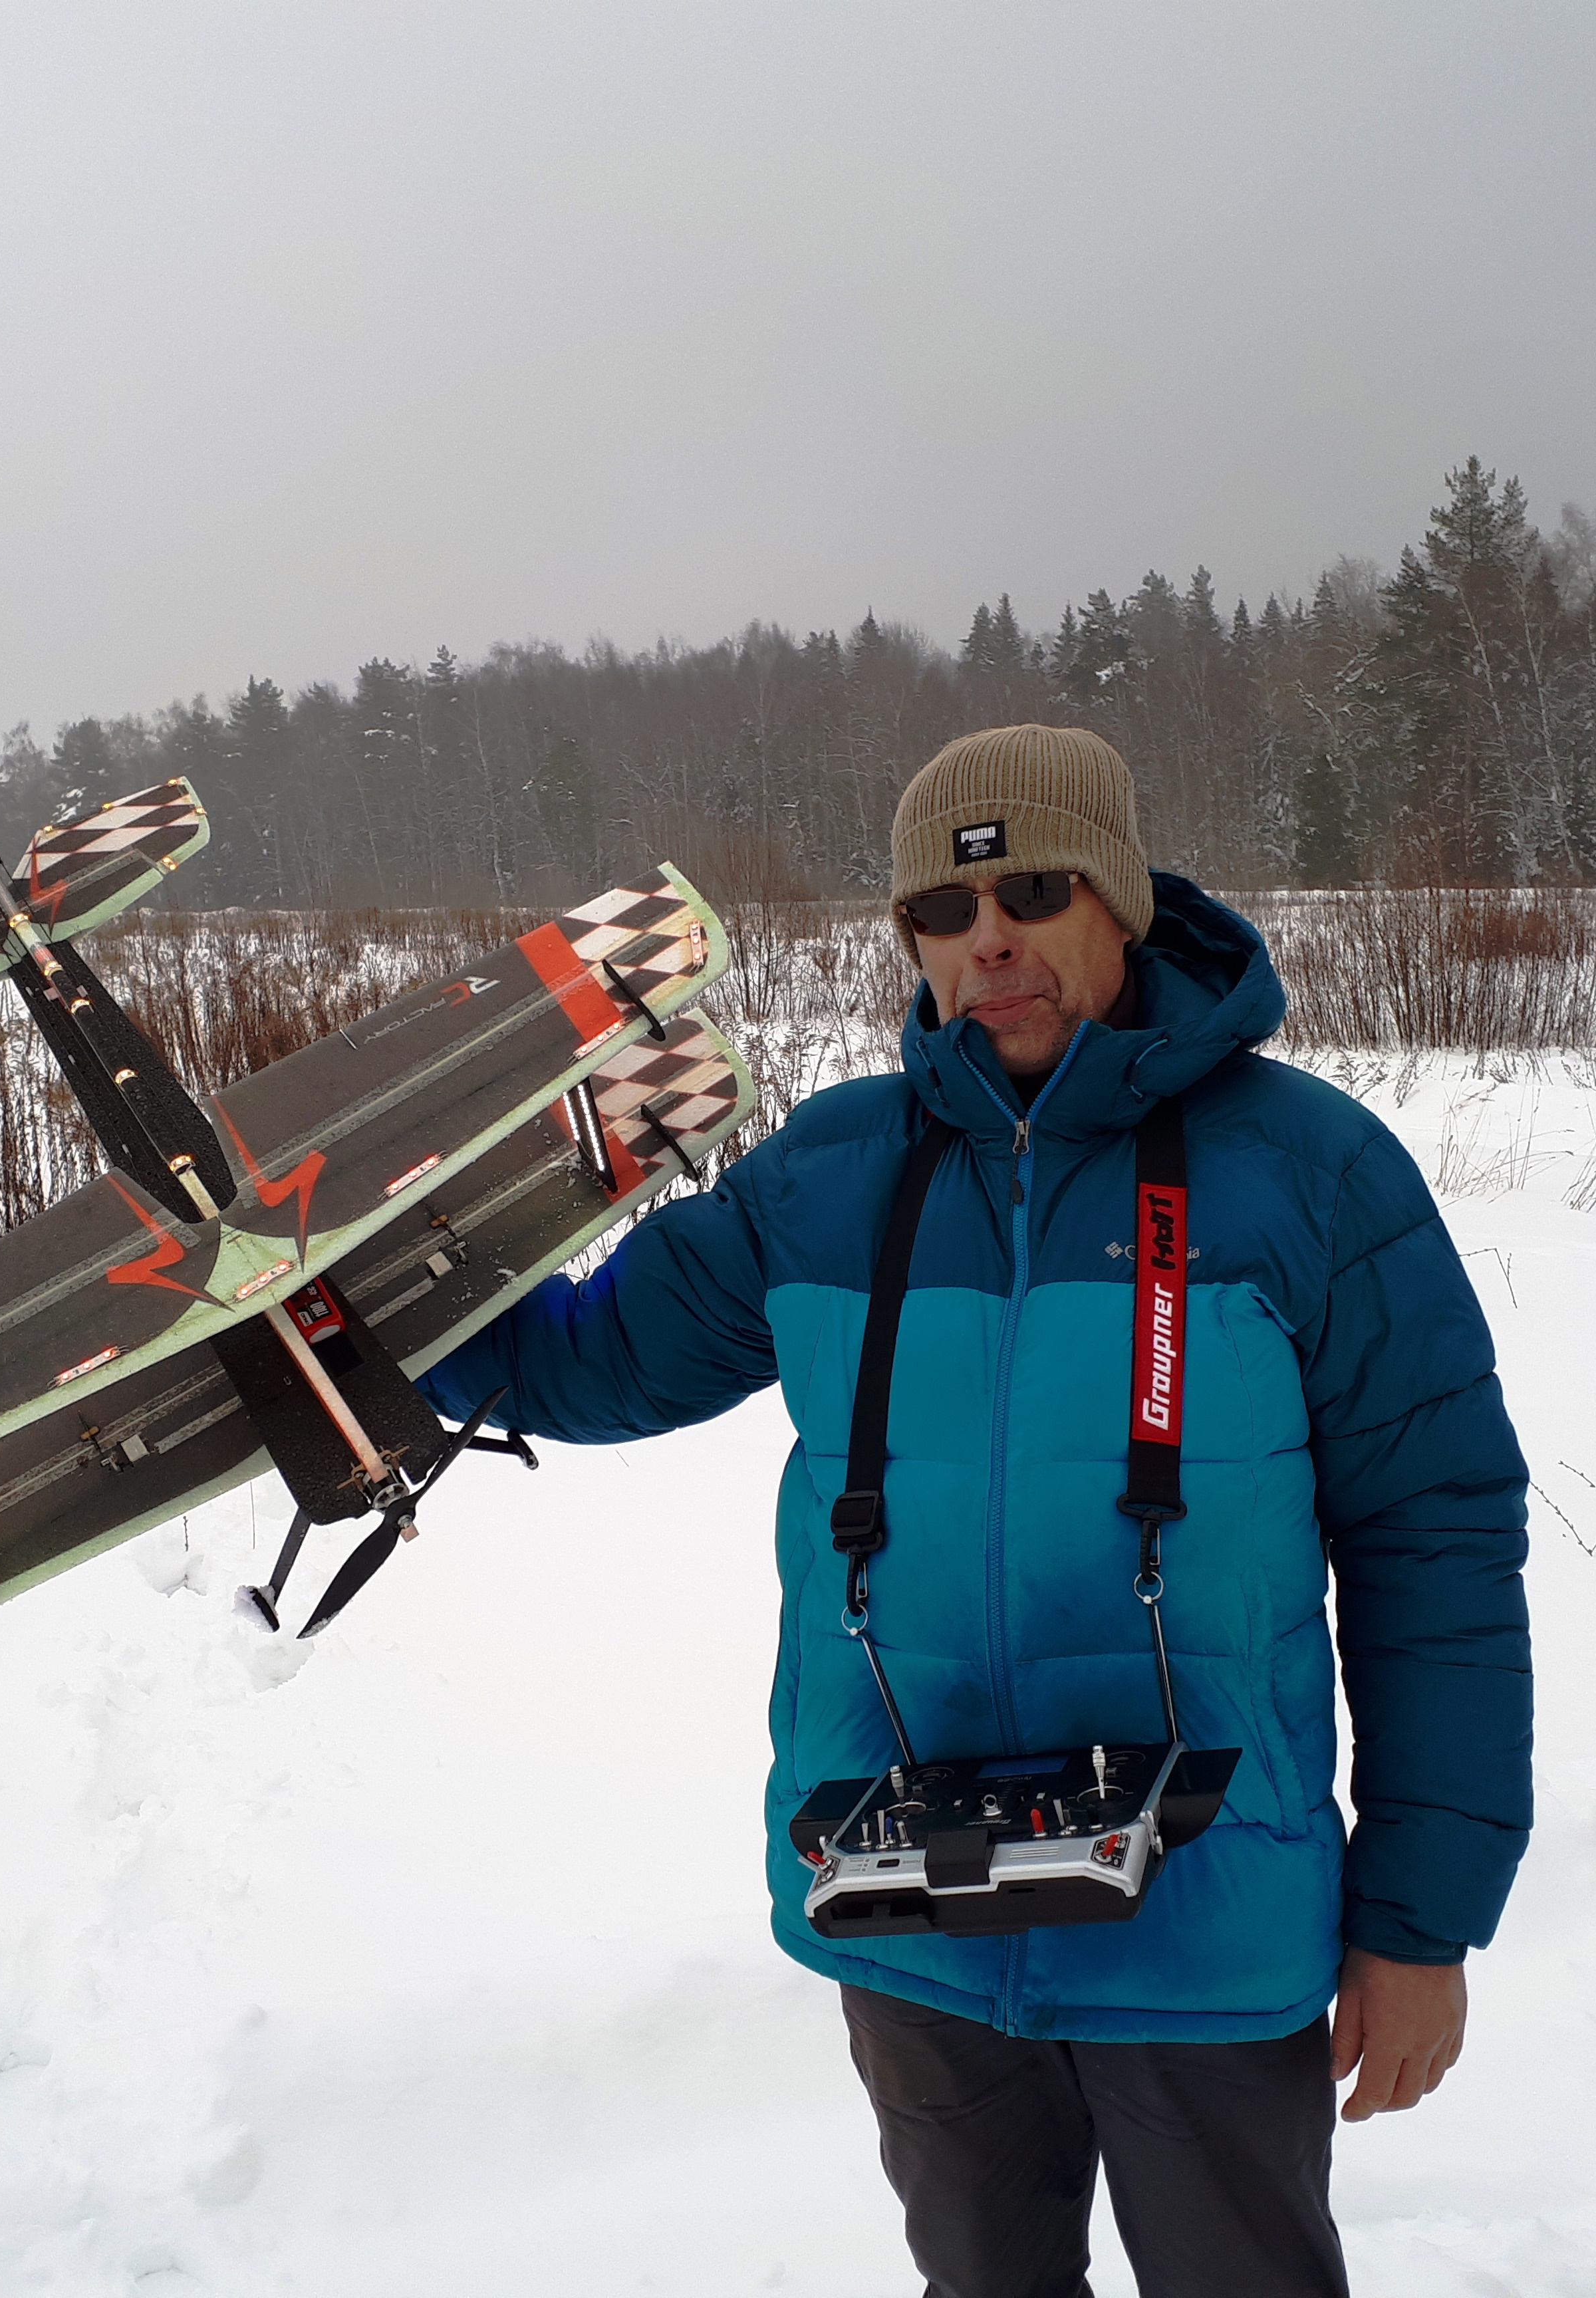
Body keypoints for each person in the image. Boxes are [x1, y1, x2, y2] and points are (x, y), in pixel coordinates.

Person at [423, 723, 1532, 2298]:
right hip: (911, 1913)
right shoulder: (830, 1175)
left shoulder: (1311, 1176)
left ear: (1121, 901)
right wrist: (373, 1319)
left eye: (1034, 891)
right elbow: (589, 1362)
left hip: (1208, 1920)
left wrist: (1422, 1924)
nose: (988, 939)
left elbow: (1439, 1554)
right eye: (943, 912)